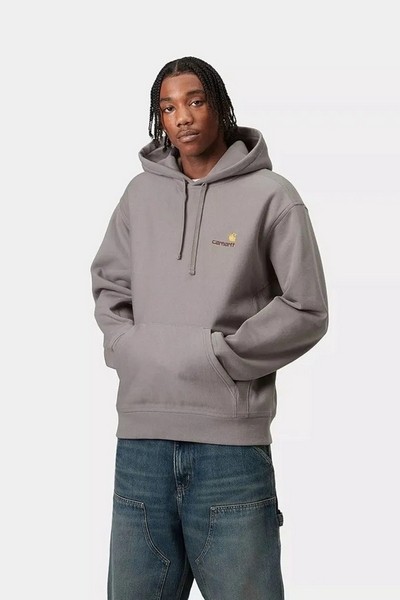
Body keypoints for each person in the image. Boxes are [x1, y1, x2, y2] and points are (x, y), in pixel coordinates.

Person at [90, 56, 329, 600]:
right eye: (168, 108)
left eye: (195, 101)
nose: (183, 117)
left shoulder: (273, 196)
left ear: (219, 105)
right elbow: (109, 286)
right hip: (142, 445)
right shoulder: (138, 196)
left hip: (230, 449)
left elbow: (306, 307)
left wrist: (220, 357)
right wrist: (128, 348)